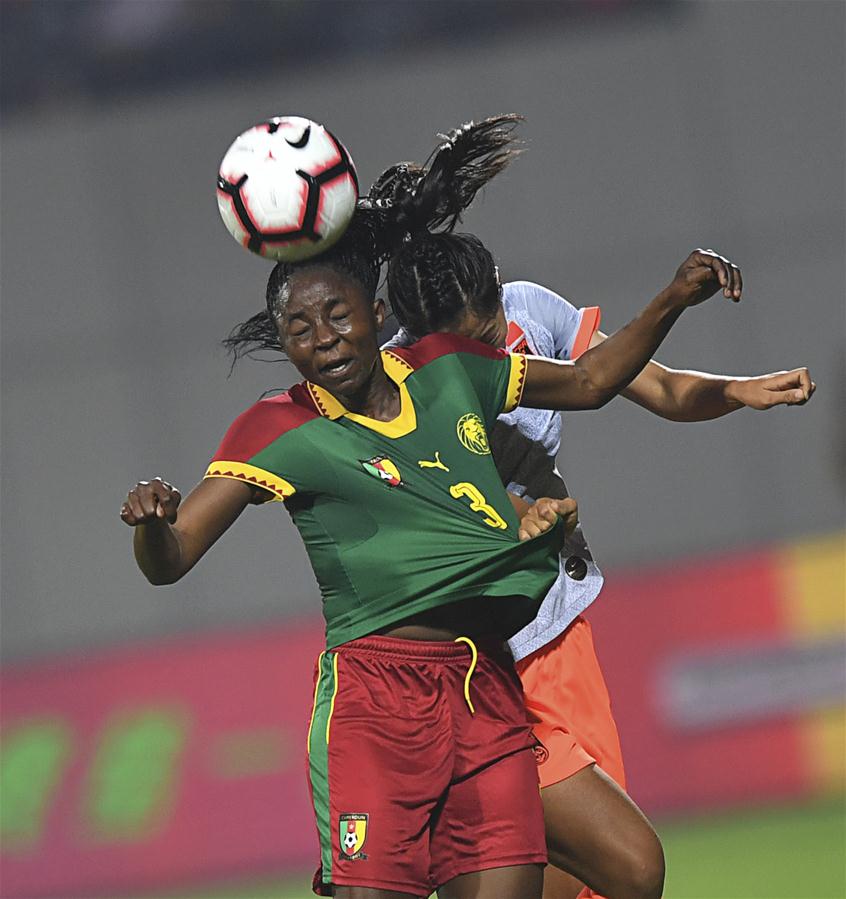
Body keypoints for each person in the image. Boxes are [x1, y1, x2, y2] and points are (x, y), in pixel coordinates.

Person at [121, 117, 752, 899]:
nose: (324, 338)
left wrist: (675, 297)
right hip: (376, 704)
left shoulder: (448, 367)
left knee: (636, 866)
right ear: (284, 343)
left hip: (483, 683)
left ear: (378, 312)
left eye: (338, 315)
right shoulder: (278, 427)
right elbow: (173, 559)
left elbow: (590, 380)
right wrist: (154, 528)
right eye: (299, 328)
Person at [372, 119, 815, 899]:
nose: (483, 362)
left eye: (487, 338)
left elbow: (655, 385)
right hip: (467, 655)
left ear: (497, 293)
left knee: (596, 873)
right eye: (461, 351)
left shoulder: (532, 312)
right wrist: (508, 518)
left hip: (554, 631)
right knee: (576, 864)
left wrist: (738, 390)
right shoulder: (392, 383)